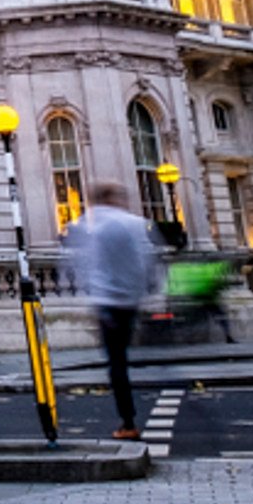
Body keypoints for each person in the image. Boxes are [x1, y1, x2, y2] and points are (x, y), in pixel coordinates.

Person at [65, 183, 157, 442]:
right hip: (130, 302)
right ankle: (128, 418)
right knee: (122, 359)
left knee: (116, 364)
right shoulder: (135, 223)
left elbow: (79, 262)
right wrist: (144, 292)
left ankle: (128, 421)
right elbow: (147, 259)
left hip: (106, 303)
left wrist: (91, 292)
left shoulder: (89, 226)